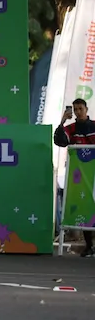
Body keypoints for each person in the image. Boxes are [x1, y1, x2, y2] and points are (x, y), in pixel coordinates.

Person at [53, 98, 95, 256]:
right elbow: (59, 141)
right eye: (75, 109)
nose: (77, 112)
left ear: (86, 109)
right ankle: (89, 246)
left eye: (80, 109)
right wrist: (62, 120)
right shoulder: (70, 128)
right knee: (84, 209)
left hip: (94, 174)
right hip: (80, 177)